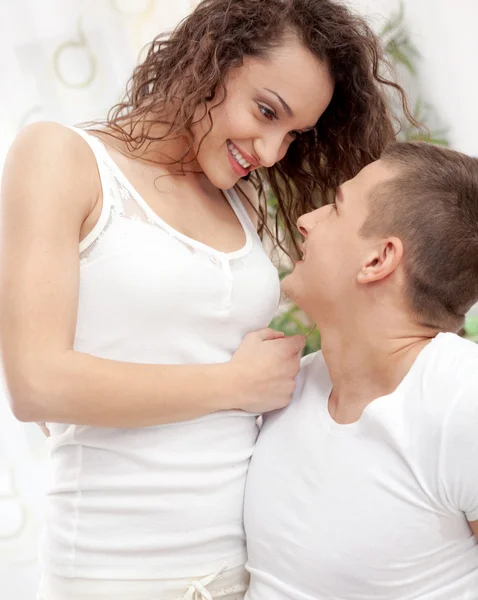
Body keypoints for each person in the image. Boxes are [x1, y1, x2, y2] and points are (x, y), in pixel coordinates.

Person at [0, 0, 410, 598]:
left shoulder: (239, 200)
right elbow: (36, 384)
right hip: (110, 570)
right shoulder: (63, 158)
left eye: (292, 134)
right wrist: (233, 386)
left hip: (241, 570)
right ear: (208, 60)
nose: (271, 151)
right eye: (266, 111)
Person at [244, 141, 478, 599]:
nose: (305, 220)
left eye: (335, 207)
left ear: (378, 259)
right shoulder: (290, 386)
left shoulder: (460, 398)